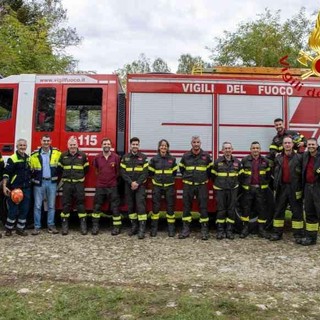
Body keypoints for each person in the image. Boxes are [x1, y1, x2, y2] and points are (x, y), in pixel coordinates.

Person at [270, 136, 304, 242]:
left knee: (297, 211)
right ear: (282, 145)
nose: (287, 145)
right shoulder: (278, 158)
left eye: (289, 143)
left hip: (295, 188)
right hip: (281, 188)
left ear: (293, 144)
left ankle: (298, 235)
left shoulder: (299, 157)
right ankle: (277, 233)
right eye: (285, 143)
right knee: (279, 210)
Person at [179, 135, 212, 240]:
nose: (196, 144)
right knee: (186, 207)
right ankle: (185, 229)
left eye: (198, 142)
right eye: (194, 142)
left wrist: (203, 178)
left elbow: (210, 170)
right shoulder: (185, 156)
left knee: (203, 207)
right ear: (191, 143)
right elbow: (182, 168)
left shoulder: (206, 156)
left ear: (200, 143)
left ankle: (204, 230)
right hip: (188, 185)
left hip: (201, 185)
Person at [239, 141, 271, 239]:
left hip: (260, 190)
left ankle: (261, 229)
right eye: (253, 148)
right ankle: (245, 229)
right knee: (246, 209)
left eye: (257, 148)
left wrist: (263, 185)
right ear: (250, 150)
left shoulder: (265, 161)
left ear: (260, 150)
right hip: (248, 189)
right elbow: (240, 176)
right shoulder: (244, 161)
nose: (255, 150)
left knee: (262, 209)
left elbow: (268, 175)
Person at [30, 135, 61, 235]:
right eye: (44, 141)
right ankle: (37, 227)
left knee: (51, 206)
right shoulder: (34, 154)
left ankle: (51, 225)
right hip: (39, 183)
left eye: (48, 141)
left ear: (51, 141)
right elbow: (29, 169)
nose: (46, 142)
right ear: (41, 141)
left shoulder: (57, 153)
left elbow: (62, 166)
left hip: (52, 183)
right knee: (37, 206)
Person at [58, 136, 89, 235]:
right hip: (67, 184)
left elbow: (86, 169)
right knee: (66, 204)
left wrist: (78, 177)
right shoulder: (63, 155)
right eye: (71, 145)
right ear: (68, 146)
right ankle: (65, 226)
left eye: (74, 145)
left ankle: (83, 225)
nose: (72, 147)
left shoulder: (83, 156)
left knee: (81, 204)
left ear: (77, 145)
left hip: (78, 184)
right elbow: (59, 169)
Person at [212, 142, 241, 240]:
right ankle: (220, 231)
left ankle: (229, 231)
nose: (228, 150)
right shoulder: (217, 162)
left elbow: (240, 176)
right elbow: (213, 175)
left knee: (231, 210)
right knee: (221, 210)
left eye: (229, 148)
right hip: (220, 189)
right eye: (226, 148)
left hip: (233, 189)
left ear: (232, 149)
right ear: (222, 150)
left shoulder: (237, 162)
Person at [2, 139, 32, 236]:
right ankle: (9, 229)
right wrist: (4, 186)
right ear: (17, 146)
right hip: (15, 188)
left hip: (26, 188)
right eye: (20, 145)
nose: (22, 147)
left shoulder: (28, 158)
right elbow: (6, 173)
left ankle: (20, 229)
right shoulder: (13, 158)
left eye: (24, 145)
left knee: (24, 209)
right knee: (13, 210)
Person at [120, 137, 148, 239]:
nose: (135, 146)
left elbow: (145, 173)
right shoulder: (125, 157)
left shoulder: (144, 157)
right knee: (130, 207)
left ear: (139, 145)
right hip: (129, 185)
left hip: (140, 186)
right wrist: (131, 182)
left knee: (141, 207)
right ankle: (134, 227)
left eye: (137, 144)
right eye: (133, 144)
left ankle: (142, 229)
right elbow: (123, 172)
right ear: (130, 145)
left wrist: (137, 183)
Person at [149, 139, 178, 237]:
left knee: (170, 208)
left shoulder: (172, 159)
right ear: (159, 147)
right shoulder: (154, 159)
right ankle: (154, 229)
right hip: (157, 185)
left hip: (169, 186)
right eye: (162, 145)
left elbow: (174, 172)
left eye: (165, 146)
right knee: (155, 208)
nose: (163, 147)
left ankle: (171, 229)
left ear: (167, 148)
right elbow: (151, 172)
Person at [92, 138, 121, 235]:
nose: (106, 145)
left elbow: (118, 172)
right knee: (97, 207)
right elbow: (96, 170)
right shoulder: (97, 158)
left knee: (115, 207)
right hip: (100, 186)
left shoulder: (116, 157)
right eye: (104, 144)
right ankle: (95, 227)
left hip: (112, 186)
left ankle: (116, 227)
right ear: (101, 145)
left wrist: (111, 180)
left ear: (111, 146)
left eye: (108, 144)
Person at [298, 138, 320, 245]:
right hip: (307, 187)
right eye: (309, 144)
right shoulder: (305, 155)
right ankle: (311, 238)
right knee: (310, 212)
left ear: (317, 145)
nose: (311, 146)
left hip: (318, 188)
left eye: (313, 144)